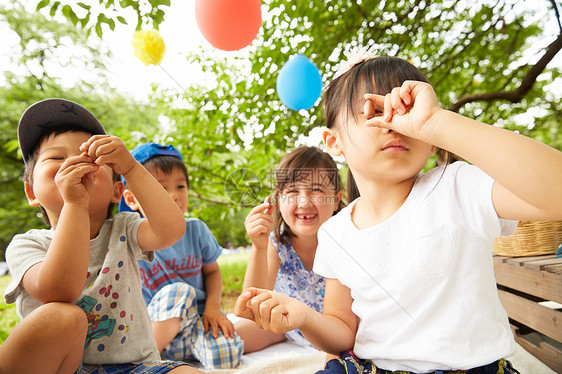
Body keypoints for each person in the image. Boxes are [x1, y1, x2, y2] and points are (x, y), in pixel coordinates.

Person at [234, 53, 562, 374]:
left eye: (406, 111)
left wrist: (437, 122)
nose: (393, 123)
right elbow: (342, 331)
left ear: (431, 141)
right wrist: (304, 316)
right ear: (335, 143)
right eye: (375, 112)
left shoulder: (457, 187)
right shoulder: (335, 233)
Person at [3, 98, 201, 374]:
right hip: (62, 368)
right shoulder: (27, 245)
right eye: (57, 158)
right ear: (32, 192)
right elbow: (60, 290)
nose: (74, 162)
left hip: (135, 366)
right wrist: (75, 205)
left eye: (92, 159)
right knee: (62, 317)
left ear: (116, 192)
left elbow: (171, 230)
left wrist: (131, 167)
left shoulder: (125, 228)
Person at [119, 142, 243, 369]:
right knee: (178, 291)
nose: (174, 196)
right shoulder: (129, 238)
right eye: (161, 188)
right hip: (154, 329)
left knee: (226, 356)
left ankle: (174, 359)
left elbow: (213, 271)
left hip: (196, 323)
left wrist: (213, 307)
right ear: (132, 199)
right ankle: (141, 362)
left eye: (180, 186)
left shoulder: (196, 229)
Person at [235, 146, 344, 353]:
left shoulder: (346, 239)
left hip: (337, 331)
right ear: (277, 200)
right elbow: (252, 304)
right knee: (228, 340)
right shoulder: (277, 244)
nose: (304, 201)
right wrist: (259, 246)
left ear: (336, 199)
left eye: (317, 190)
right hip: (289, 326)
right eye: (293, 191)